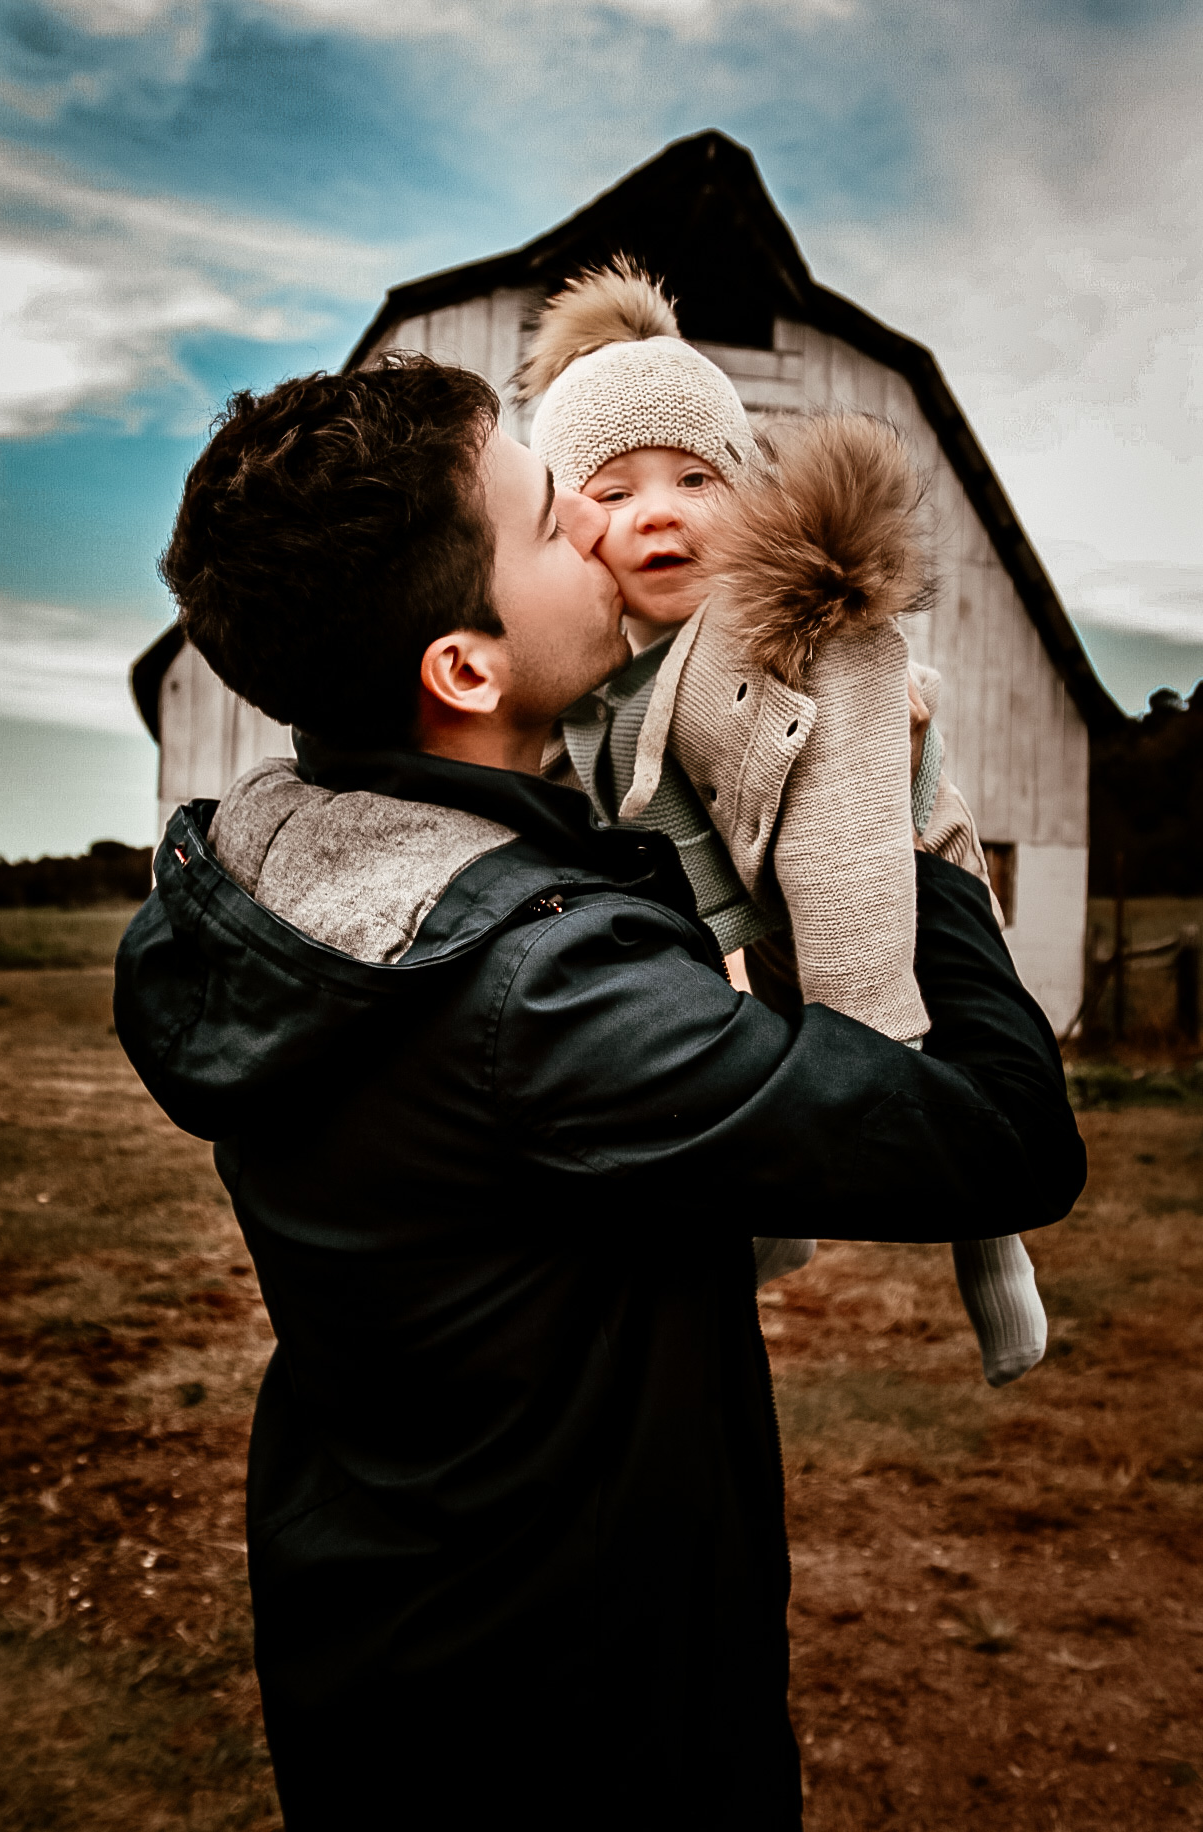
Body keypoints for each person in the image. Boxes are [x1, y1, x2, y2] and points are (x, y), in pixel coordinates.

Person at [113, 355, 1085, 1829]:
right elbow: (1006, 1143)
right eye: (545, 510)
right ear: (463, 668)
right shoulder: (553, 1000)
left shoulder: (267, 862)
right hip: (588, 1723)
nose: (593, 516)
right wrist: (904, 810)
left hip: (377, 1643)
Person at [522, 260, 1049, 1386]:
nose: (654, 511)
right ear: (572, 530)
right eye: (610, 494)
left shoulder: (799, 626)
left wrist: (866, 1032)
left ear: (747, 492)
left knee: (954, 1094)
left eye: (690, 479)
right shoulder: (615, 674)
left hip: (883, 866)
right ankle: (777, 1218)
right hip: (758, 901)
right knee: (745, 1045)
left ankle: (995, 1263)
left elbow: (851, 828)